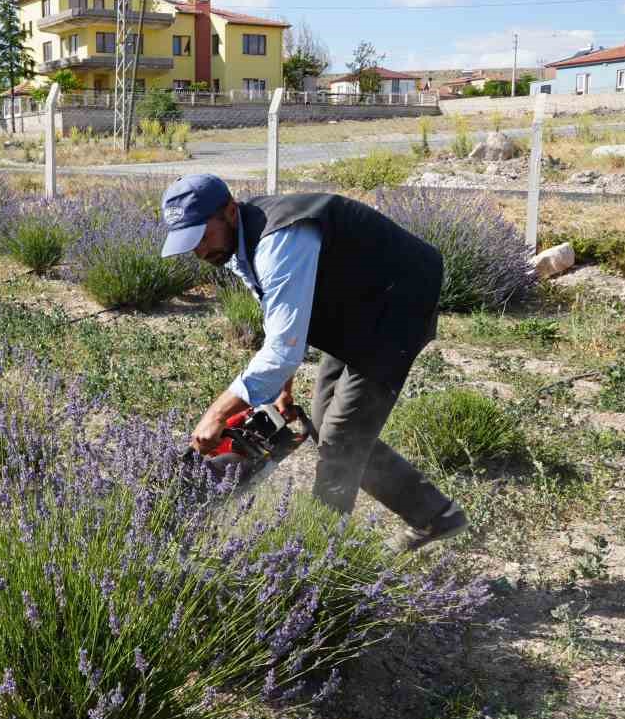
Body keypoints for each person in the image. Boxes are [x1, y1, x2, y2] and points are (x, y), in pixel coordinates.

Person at [159, 173, 466, 550]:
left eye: (202, 236)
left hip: (399, 303)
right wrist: (280, 391)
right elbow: (281, 325)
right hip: (357, 307)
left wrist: (217, 413)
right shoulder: (236, 244)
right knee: (323, 426)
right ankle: (436, 514)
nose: (200, 252)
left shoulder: (280, 239)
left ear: (229, 212)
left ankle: (316, 562)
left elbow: (282, 351)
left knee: (341, 438)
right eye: (189, 244)